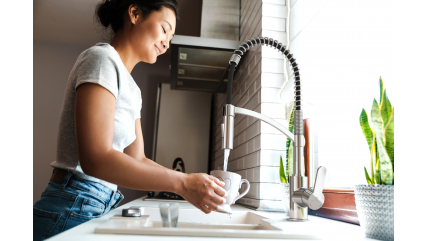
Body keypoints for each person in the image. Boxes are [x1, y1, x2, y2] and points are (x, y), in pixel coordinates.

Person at [33, 1, 228, 240]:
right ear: (135, 14)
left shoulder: (133, 90)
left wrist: (188, 183)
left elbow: (138, 159)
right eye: (165, 29)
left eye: (172, 36)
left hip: (98, 204)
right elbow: (95, 158)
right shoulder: (102, 59)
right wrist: (183, 183)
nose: (167, 42)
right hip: (73, 204)